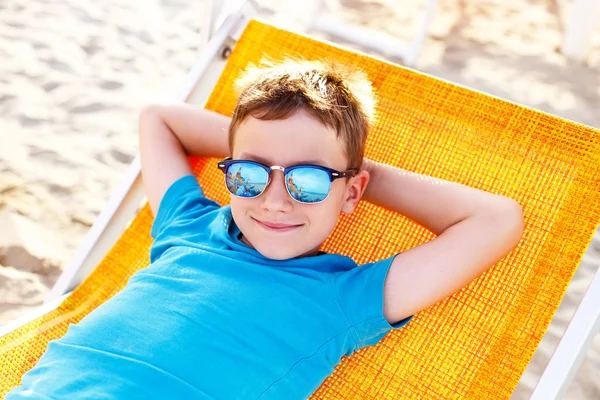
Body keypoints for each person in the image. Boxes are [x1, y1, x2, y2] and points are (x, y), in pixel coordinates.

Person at [6, 57, 524, 399]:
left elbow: (497, 219)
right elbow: (158, 118)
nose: (274, 201)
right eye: (250, 175)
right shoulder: (189, 225)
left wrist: (354, 173)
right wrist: (308, 166)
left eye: (308, 182)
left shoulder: (345, 297)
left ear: (353, 193)